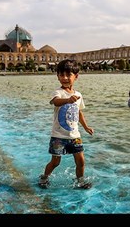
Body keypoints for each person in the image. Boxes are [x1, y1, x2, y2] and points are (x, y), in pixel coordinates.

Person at [39, 59, 94, 189]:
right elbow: (56, 102)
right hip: (58, 136)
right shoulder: (58, 92)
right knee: (55, 161)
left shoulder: (78, 95)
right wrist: (68, 100)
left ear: (76, 76)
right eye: (61, 75)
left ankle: (80, 181)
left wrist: (86, 127)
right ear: (57, 76)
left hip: (75, 136)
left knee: (80, 161)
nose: (64, 78)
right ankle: (44, 177)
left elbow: (78, 113)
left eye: (68, 75)